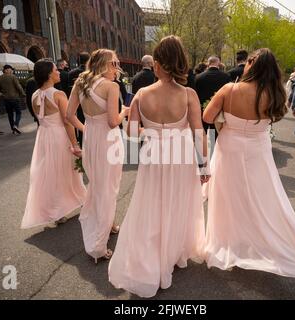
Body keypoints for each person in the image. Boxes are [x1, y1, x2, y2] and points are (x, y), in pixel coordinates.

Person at [203, 48, 295, 288]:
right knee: (261, 197)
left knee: (227, 196)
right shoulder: (274, 94)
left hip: (229, 147)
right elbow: (275, 119)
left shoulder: (229, 89)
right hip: (258, 149)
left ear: (251, 63)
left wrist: (225, 114)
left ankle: (228, 242)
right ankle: (262, 241)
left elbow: (208, 117)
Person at [109, 35, 208, 298]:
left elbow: (130, 135)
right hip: (181, 156)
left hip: (153, 155)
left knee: (152, 203)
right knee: (177, 203)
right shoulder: (189, 95)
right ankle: (172, 252)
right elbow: (199, 134)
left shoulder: (141, 94)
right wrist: (204, 166)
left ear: (158, 63)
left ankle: (153, 253)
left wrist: (148, 130)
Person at [67, 49, 129, 262]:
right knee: (109, 187)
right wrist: (125, 112)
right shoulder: (111, 87)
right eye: (113, 63)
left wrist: (87, 130)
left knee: (98, 184)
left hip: (92, 139)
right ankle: (99, 246)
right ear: (103, 64)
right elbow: (113, 121)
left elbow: (69, 115)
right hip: (109, 141)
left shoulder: (80, 83)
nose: (116, 68)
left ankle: (109, 223)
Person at [21, 59, 87, 229]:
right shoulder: (58, 94)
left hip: (43, 136)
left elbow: (39, 117)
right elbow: (67, 121)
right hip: (58, 136)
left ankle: (59, 210)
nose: (59, 72)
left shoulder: (35, 94)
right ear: (49, 74)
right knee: (65, 170)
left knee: (48, 173)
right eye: (56, 70)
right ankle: (74, 201)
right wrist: (75, 144)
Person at [194, 56, 231, 137]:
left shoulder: (198, 77)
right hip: (219, 113)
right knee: (217, 136)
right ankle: (214, 149)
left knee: (200, 136)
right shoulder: (226, 77)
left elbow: (196, 95)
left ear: (208, 63)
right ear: (219, 64)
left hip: (202, 112)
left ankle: (199, 149)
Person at [68, 52, 91, 144]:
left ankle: (82, 142)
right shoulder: (92, 73)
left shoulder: (71, 73)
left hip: (77, 103)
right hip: (91, 103)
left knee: (80, 121)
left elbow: (70, 90)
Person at [0, 65, 26, 135]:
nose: (11, 71)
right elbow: (18, 86)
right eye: (10, 69)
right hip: (15, 98)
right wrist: (23, 94)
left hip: (6, 99)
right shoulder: (13, 77)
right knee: (18, 112)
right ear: (6, 70)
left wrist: (4, 92)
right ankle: (16, 125)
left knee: (10, 114)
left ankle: (13, 129)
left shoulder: (0, 78)